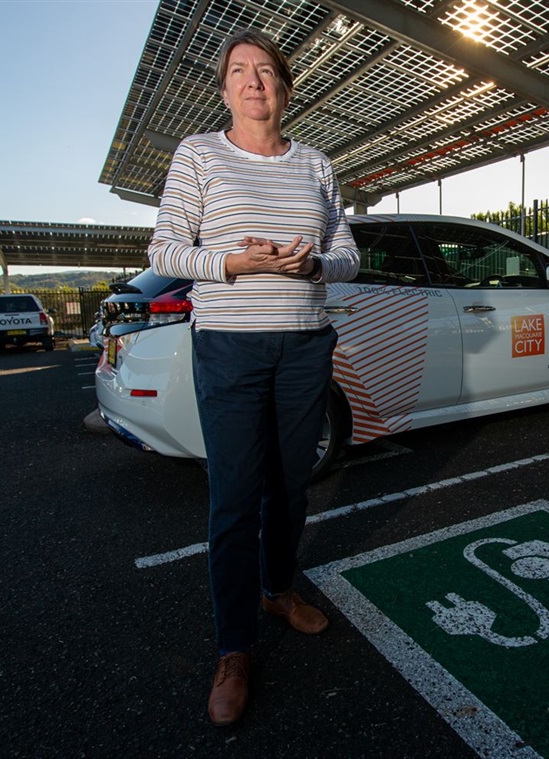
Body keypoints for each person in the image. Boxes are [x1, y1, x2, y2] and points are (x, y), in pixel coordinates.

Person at [147, 28, 360, 727]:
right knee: (235, 496)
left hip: (303, 342)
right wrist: (234, 264)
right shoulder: (199, 154)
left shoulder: (317, 164)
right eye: (238, 71)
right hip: (231, 346)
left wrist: (312, 268)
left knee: (290, 486)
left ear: (286, 87)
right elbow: (168, 248)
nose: (253, 81)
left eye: (265, 70)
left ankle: (276, 588)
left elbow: (347, 253)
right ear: (224, 89)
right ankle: (234, 648)